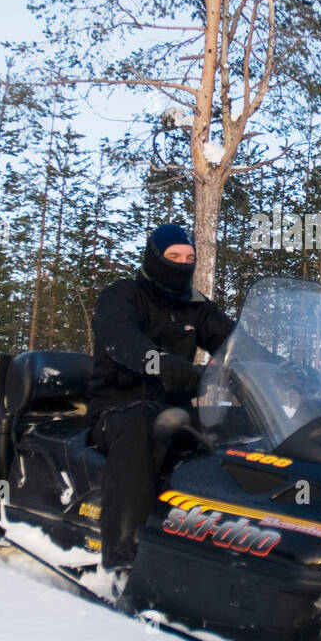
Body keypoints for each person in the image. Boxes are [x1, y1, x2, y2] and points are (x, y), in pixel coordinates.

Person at [87, 224, 235, 570]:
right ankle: (121, 552)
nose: (182, 264)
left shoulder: (197, 307)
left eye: (189, 258)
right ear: (155, 257)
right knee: (143, 425)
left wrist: (277, 369)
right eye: (173, 257)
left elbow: (233, 342)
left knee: (238, 424)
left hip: (175, 410)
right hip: (118, 409)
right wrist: (158, 363)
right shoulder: (122, 295)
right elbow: (120, 338)